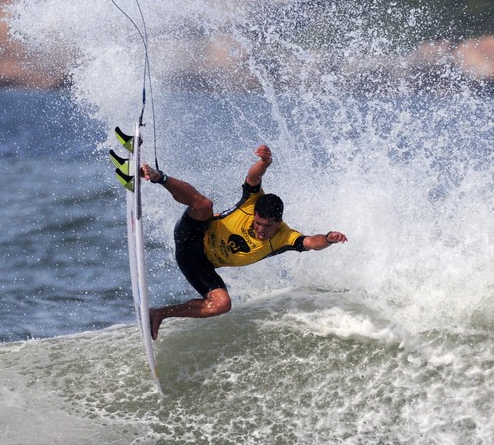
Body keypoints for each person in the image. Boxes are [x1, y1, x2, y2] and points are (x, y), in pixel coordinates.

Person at [141, 144, 347, 340]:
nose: (261, 230)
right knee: (205, 205)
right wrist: (264, 163)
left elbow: (311, 242)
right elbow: (253, 176)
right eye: (258, 223)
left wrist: (328, 238)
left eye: (268, 226)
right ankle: (158, 176)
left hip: (197, 263)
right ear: (255, 214)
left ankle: (160, 313)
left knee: (222, 304)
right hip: (192, 234)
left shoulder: (284, 237)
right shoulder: (251, 202)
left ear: (279, 223)